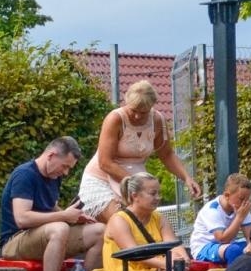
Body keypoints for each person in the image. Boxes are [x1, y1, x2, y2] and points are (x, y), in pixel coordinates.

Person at [0, 136, 103, 271]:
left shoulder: (54, 176)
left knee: (100, 231)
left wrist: (74, 217)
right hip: (14, 241)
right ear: (51, 155)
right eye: (65, 166)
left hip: (44, 235)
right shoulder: (24, 175)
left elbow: (50, 207)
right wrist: (64, 216)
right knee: (59, 228)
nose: (66, 173)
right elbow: (22, 218)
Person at [76, 80, 201, 224]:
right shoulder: (115, 119)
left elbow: (167, 155)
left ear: (152, 106)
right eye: (133, 110)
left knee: (147, 223)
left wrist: (186, 178)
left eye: (143, 112)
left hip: (137, 183)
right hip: (102, 180)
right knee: (123, 220)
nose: (137, 116)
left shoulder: (157, 120)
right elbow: (105, 162)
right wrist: (137, 184)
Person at [101, 173, 189, 271]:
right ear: (135, 196)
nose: (158, 197)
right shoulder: (119, 220)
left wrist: (183, 259)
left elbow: (174, 245)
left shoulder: (159, 218)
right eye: (153, 194)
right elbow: (134, 254)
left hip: (157, 270)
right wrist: (168, 264)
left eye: (158, 193)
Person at [189, 173, 251, 265]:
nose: (245, 203)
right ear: (227, 195)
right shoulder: (212, 210)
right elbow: (222, 239)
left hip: (226, 246)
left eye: (247, 199)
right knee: (234, 251)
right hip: (204, 247)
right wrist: (239, 217)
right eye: (241, 199)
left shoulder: (242, 207)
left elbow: (250, 238)